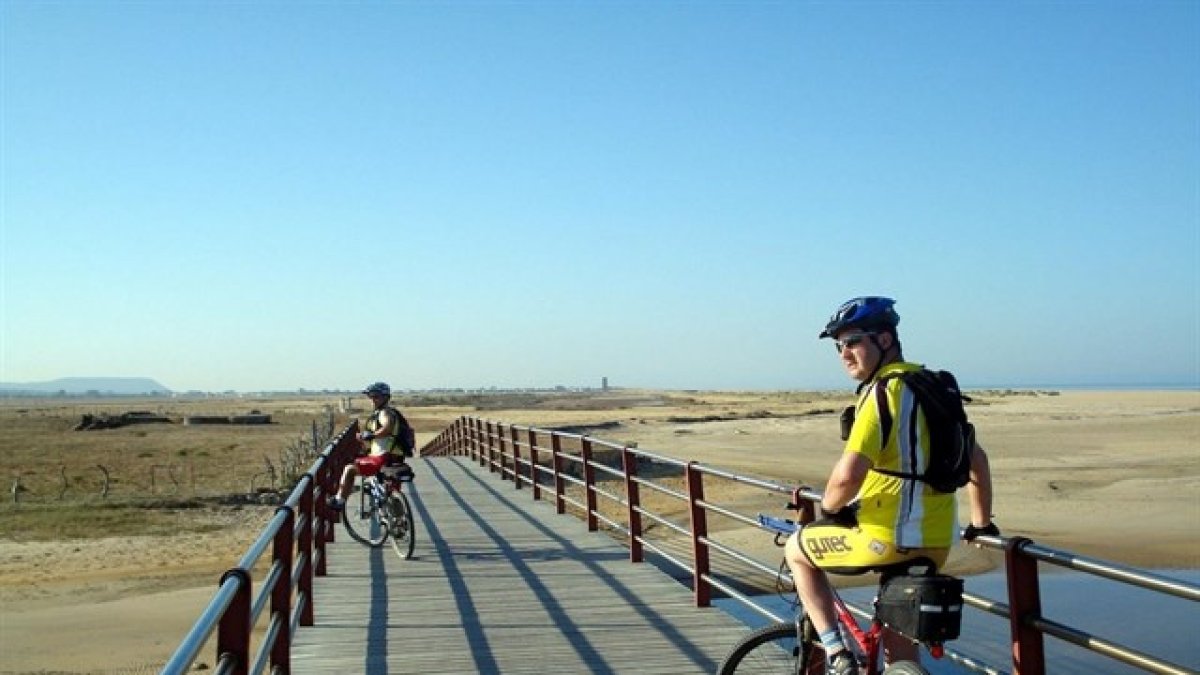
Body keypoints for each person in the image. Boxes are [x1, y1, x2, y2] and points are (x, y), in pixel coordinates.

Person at [784, 296, 999, 675]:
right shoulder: (932, 387)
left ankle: (836, 654)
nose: (844, 354)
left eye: (853, 342)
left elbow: (847, 476)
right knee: (900, 653)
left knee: (796, 551)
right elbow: (976, 458)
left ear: (884, 340)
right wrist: (981, 523)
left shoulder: (884, 392)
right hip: (935, 544)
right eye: (839, 346)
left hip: (886, 539)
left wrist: (831, 511)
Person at [328, 382, 414, 512]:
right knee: (391, 491)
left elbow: (387, 427)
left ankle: (339, 500)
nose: (373, 400)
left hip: (382, 458)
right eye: (371, 397)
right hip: (395, 457)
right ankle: (399, 524)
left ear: (386, 398)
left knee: (350, 469)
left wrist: (371, 435)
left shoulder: (385, 413)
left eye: (376, 397)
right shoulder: (391, 412)